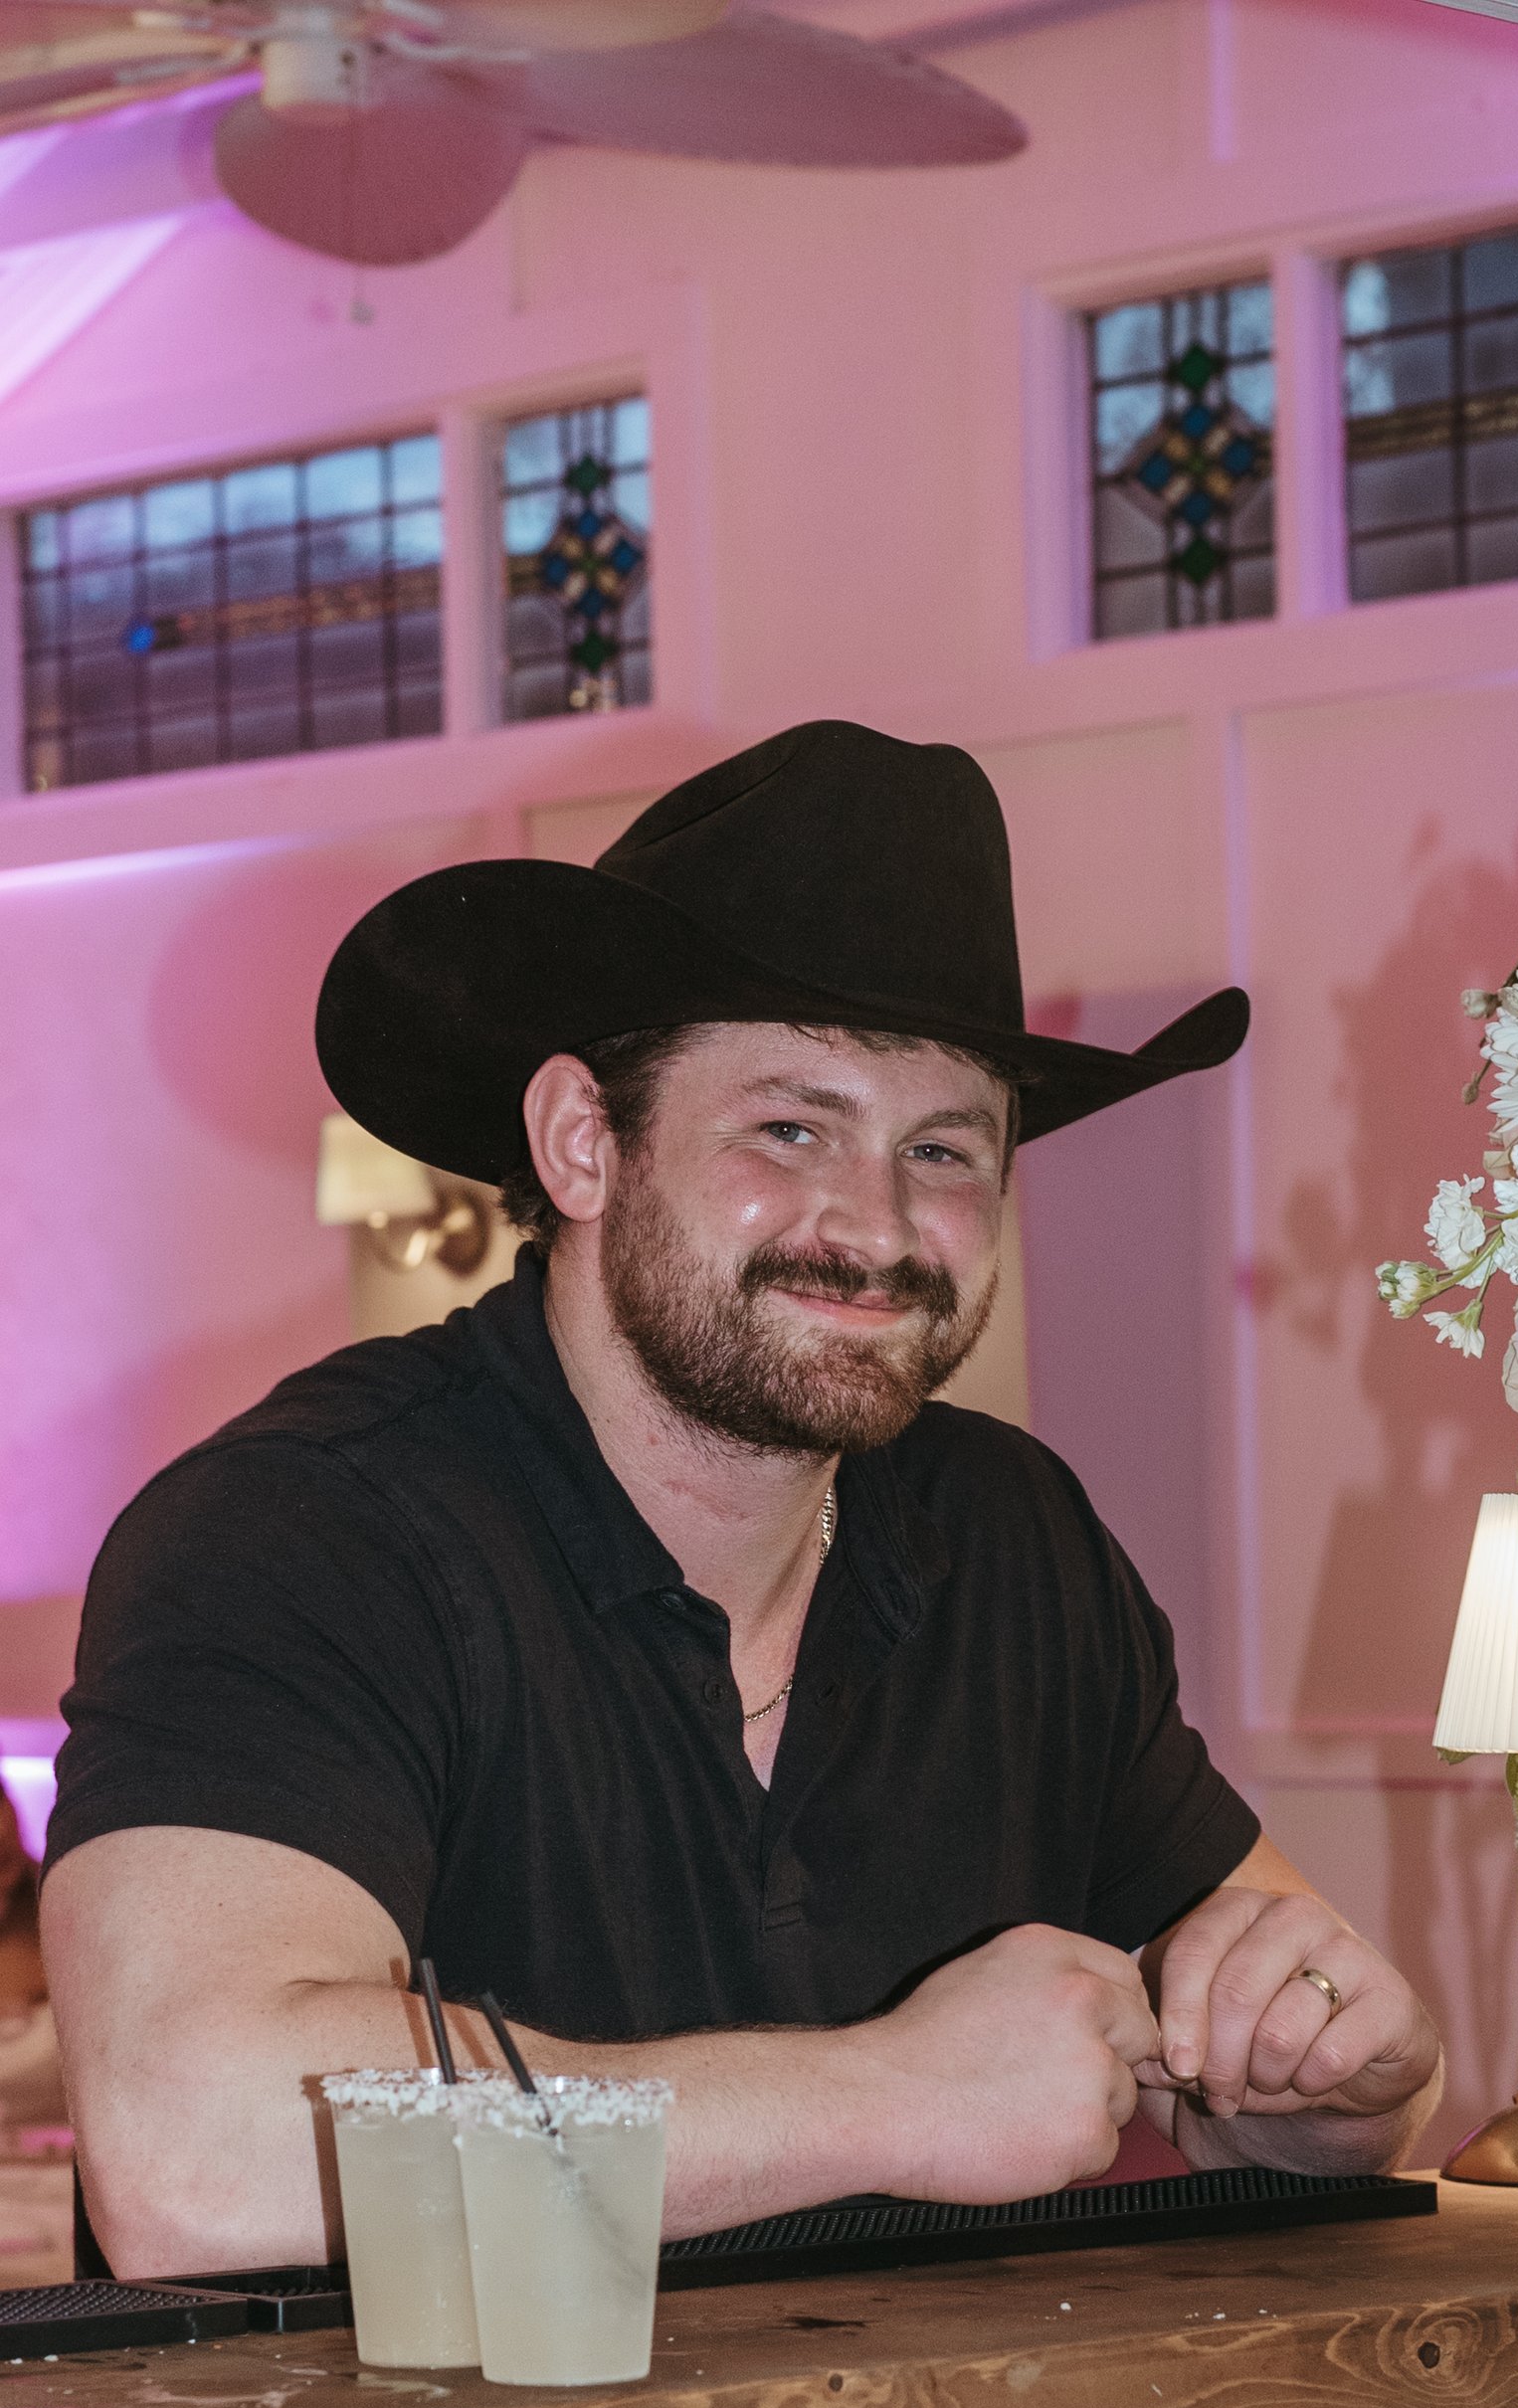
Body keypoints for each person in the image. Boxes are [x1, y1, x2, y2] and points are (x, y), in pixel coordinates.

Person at [43, 722, 1441, 2275]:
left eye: (946, 1148)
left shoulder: (1010, 1539)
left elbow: (1271, 2082)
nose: (882, 1224)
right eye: (792, 1126)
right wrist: (887, 2097)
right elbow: (198, 2156)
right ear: (585, 1142)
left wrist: (1335, 2084)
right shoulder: (301, 1532)